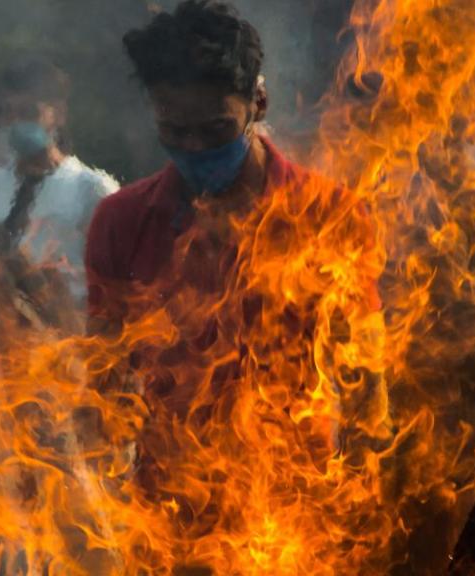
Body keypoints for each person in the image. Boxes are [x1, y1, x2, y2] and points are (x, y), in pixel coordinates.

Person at [85, 1, 391, 449]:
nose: (194, 147)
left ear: (258, 103)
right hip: (170, 503)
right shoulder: (121, 221)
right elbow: (104, 376)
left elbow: (365, 374)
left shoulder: (329, 215)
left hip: (298, 497)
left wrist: (369, 479)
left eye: (216, 130)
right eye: (175, 131)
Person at [0, 58, 118, 314]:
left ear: (58, 114)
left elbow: (112, 282)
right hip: (1, 337)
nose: (15, 123)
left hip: (69, 337)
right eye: (8, 112)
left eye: (28, 113)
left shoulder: (93, 190)